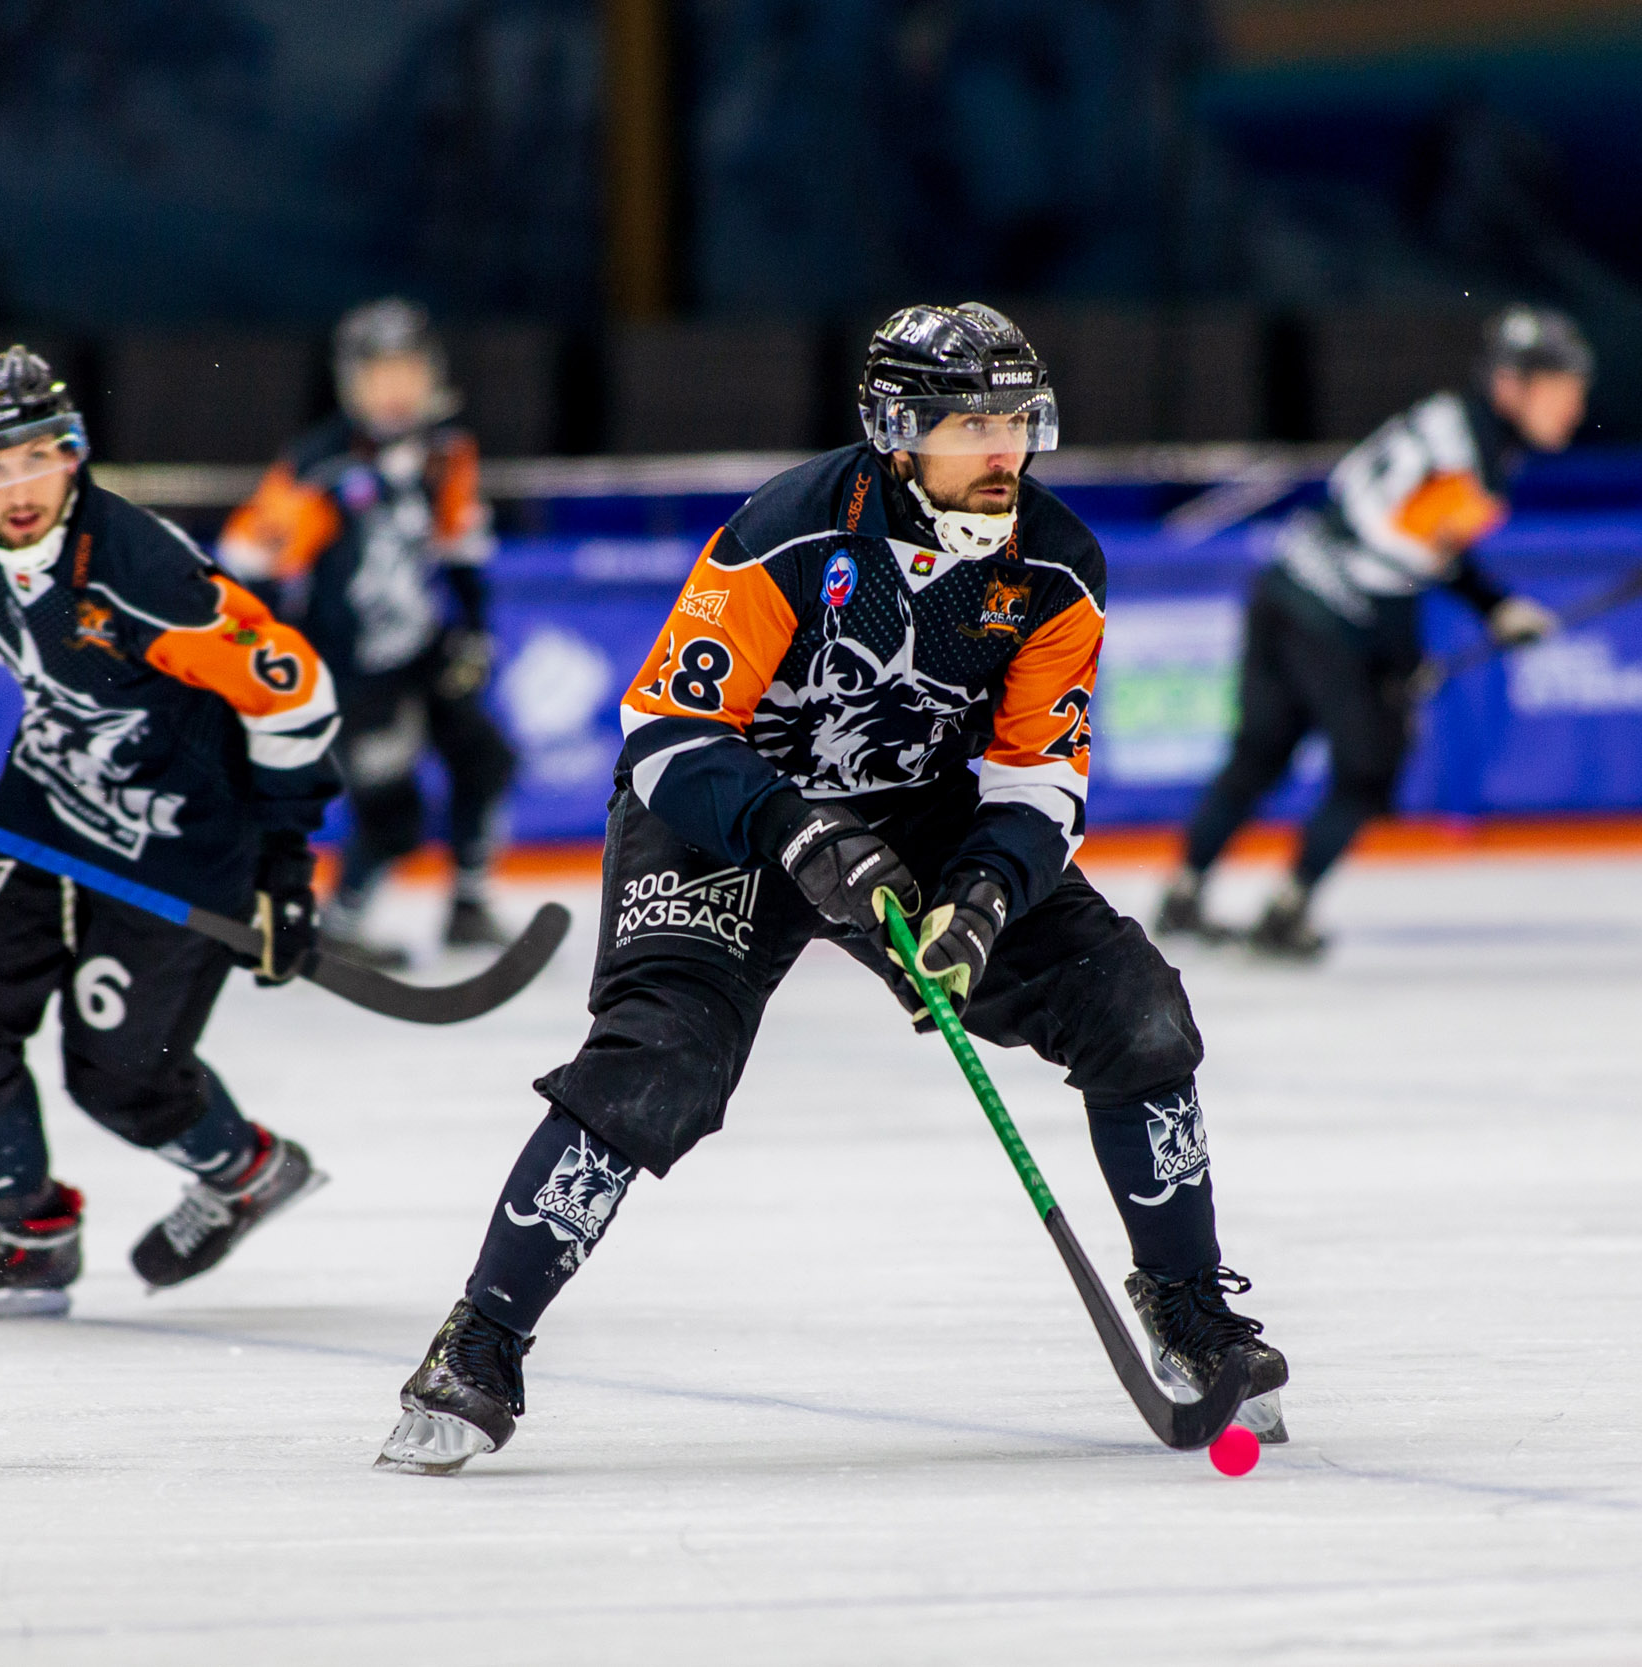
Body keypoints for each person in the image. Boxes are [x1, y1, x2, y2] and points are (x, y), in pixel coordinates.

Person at [373, 303, 1289, 1476]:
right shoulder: (790, 532)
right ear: (897, 433)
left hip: (913, 812)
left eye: (1017, 419)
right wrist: (797, 836)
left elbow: (1036, 780)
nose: (1003, 449)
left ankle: (1187, 1307)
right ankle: (479, 1339)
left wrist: (982, 901)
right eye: (971, 423)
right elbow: (663, 732)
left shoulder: (1056, 565)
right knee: (658, 1066)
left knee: (1137, 1011)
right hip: (722, 816)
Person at [0, 346, 342, 1318]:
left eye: (37, 457)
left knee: (122, 1074)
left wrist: (285, 864)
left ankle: (245, 1171)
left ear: (75, 455)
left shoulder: (142, 573)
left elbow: (293, 695)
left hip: (181, 837)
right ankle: (25, 1234)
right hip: (44, 802)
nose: (16, 488)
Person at [1154, 305, 1587, 958]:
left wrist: (1494, 606)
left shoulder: (1454, 423)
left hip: (1284, 588)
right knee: (1367, 768)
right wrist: (1402, 664)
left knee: (1260, 754)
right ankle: (1286, 910)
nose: (1574, 407)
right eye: (1562, 388)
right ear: (1511, 385)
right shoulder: (1478, 458)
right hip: (1334, 612)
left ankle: (1183, 894)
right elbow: (1400, 557)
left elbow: (1415, 539)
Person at [217, 298, 516, 968]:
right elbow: (247, 566)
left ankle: (469, 905)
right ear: (350, 381)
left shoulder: (444, 450)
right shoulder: (319, 466)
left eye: (408, 369)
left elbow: (462, 545)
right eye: (378, 372)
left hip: (420, 644)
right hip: (349, 667)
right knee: (392, 812)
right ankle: (341, 923)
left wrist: (472, 631)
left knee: (486, 758)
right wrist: (266, 662)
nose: (395, 387)